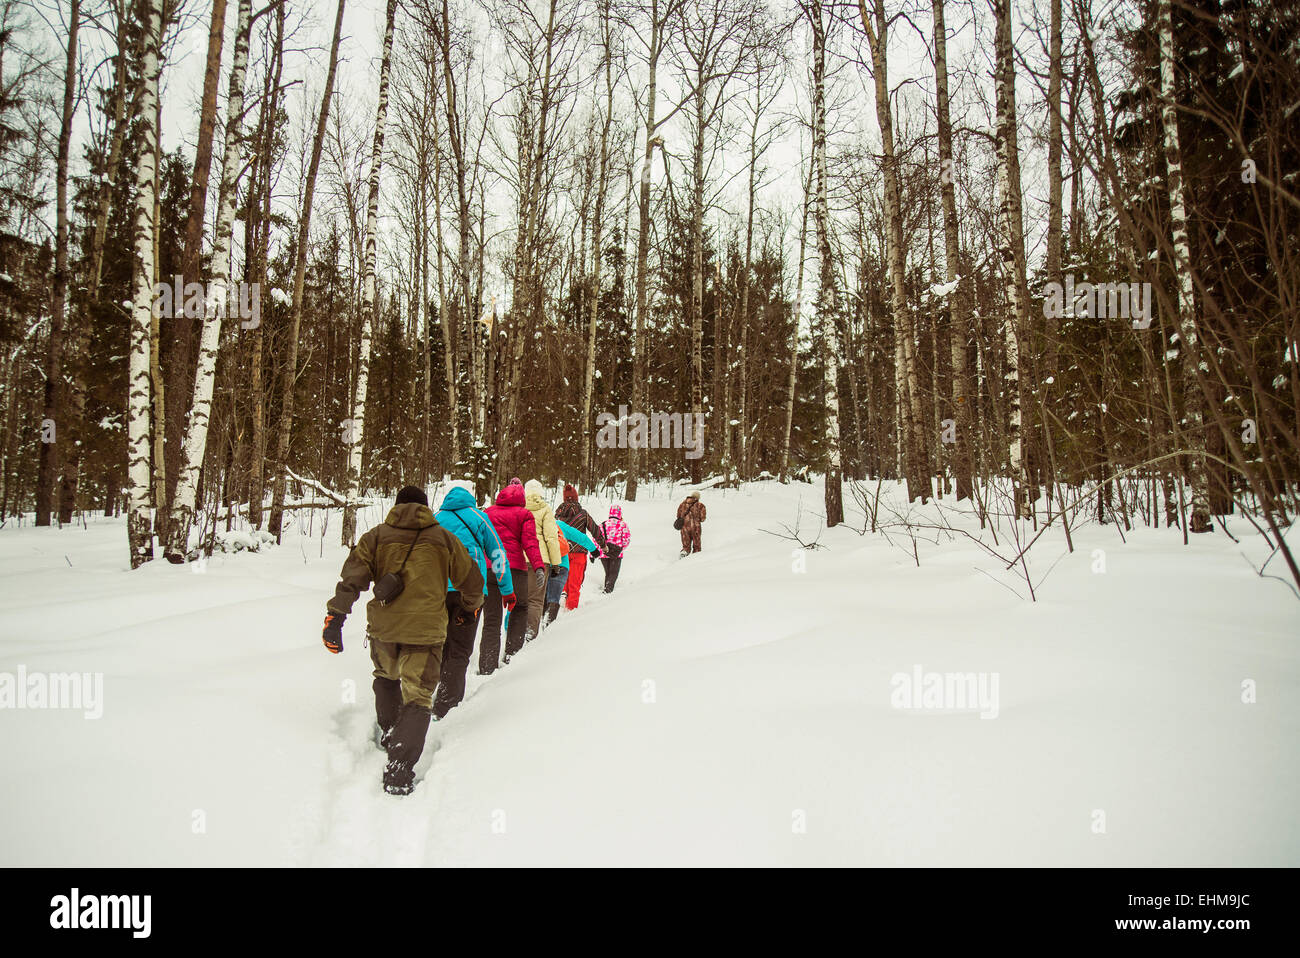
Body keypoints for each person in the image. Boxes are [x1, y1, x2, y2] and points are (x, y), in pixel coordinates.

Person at [322, 485, 483, 796]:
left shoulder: (376, 537)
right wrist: (468, 608)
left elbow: (351, 580)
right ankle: (400, 768)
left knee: (385, 677)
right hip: (425, 632)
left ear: (396, 506)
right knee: (419, 697)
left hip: (384, 629)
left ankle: (391, 732)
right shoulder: (443, 539)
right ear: (426, 507)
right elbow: (471, 580)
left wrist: (336, 618)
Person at [431, 484, 515, 720]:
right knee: (460, 647)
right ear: (470, 498)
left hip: (437, 591)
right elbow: (497, 552)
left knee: (441, 644)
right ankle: (447, 705)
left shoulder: (436, 519)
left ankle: (433, 693)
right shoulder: (478, 517)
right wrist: (506, 589)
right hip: (470, 592)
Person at [483, 479, 544, 670]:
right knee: (520, 608)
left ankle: (487, 664)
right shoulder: (524, 514)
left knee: (492, 619)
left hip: (490, 568)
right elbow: (530, 543)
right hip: (515, 568)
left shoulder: (488, 513)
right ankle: (512, 656)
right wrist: (538, 566)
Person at [554, 483, 606, 610]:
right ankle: (571, 612)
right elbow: (595, 530)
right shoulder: (583, 514)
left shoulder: (557, 514)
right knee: (575, 585)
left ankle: (559, 607)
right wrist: (602, 545)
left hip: (562, 552)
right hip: (579, 553)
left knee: (562, 583)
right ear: (576, 498)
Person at [522, 479, 563, 640]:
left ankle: (515, 635)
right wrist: (556, 563)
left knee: (519, 600)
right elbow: (551, 538)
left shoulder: (519, 508)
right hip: (540, 560)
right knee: (536, 600)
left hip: (520, 559)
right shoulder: (545, 509)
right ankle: (530, 635)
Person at [547, 518, 596, 624]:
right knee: (553, 598)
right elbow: (579, 536)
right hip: (561, 564)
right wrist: (593, 549)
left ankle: (536, 627)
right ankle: (548, 626)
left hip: (540, 564)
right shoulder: (557, 523)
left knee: (536, 599)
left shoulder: (533, 522)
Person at [597, 504, 630, 593]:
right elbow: (626, 540)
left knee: (608, 573)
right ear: (620, 513)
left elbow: (596, 539)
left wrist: (597, 551)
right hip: (617, 554)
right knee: (614, 573)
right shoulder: (623, 525)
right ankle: (608, 591)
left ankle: (606, 588)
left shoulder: (602, 525)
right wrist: (621, 548)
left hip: (604, 553)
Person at [676, 490, 707, 557]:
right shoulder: (700, 505)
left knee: (686, 545)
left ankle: (684, 555)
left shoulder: (682, 505)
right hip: (696, 528)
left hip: (684, 528)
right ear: (698, 498)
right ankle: (695, 559)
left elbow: (678, 515)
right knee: (697, 546)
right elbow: (703, 518)